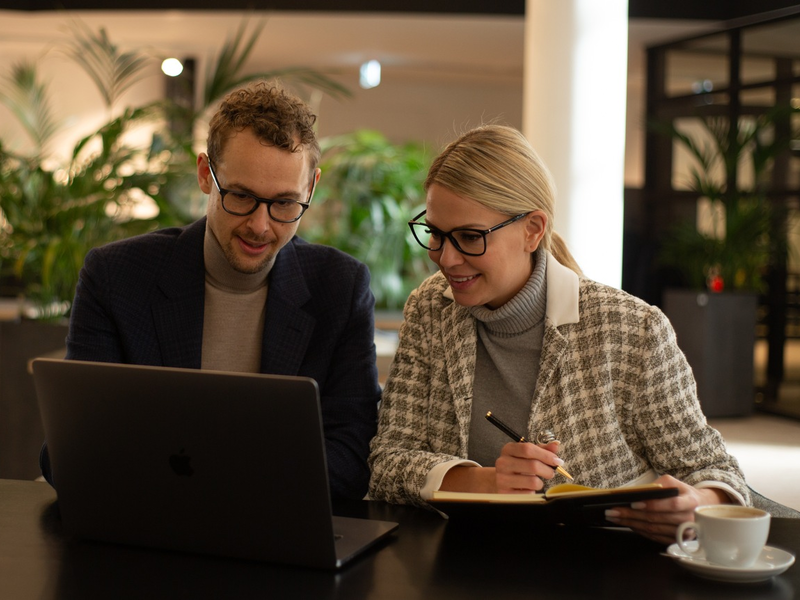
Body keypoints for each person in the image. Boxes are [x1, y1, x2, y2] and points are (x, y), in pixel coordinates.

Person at [368, 124, 750, 544]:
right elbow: (387, 463)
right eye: (436, 234)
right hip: (461, 565)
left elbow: (716, 471)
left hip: (602, 571)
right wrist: (484, 482)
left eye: (470, 237)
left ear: (532, 229)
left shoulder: (632, 330)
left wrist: (695, 502)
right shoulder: (431, 308)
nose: (446, 258)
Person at [40, 81, 381, 500]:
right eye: (240, 195)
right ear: (206, 174)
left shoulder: (340, 288)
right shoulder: (116, 277)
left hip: (274, 537)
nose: (260, 225)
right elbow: (70, 448)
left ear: (310, 188)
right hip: (146, 529)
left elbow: (353, 455)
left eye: (285, 204)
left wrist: (217, 484)